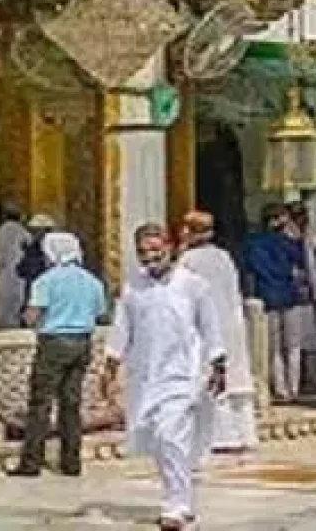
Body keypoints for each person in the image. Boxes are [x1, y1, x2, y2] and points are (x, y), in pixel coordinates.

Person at [104, 223, 227, 531]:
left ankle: (176, 505)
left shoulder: (192, 285)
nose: (150, 257)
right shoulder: (133, 287)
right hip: (145, 377)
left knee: (172, 436)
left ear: (170, 246)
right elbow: (122, 328)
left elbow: (210, 326)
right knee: (159, 440)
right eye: (143, 252)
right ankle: (180, 501)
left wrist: (218, 363)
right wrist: (110, 366)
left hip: (184, 374)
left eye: (155, 249)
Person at [9, 231, 108, 479]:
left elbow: (32, 315)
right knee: (71, 404)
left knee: (41, 403)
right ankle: (71, 462)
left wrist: (29, 318)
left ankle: (31, 462)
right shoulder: (92, 282)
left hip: (53, 343)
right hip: (82, 343)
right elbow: (99, 312)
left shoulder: (46, 281)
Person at [178, 209, 258, 452]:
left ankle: (221, 436)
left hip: (206, 327)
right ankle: (245, 433)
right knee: (235, 377)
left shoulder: (189, 261)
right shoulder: (224, 257)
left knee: (210, 378)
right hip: (231, 323)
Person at [243, 205, 307, 401]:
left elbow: (250, 268)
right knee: (293, 345)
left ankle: (281, 388)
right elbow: (300, 263)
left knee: (274, 348)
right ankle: (294, 387)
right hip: (289, 297)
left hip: (268, 297)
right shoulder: (288, 242)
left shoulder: (254, 243)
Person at [286, 203, 316, 391]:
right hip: (293, 297)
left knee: (310, 340)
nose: (302, 220)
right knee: (294, 341)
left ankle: (313, 377)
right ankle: (296, 381)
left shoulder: (310, 237)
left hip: (310, 295)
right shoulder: (286, 240)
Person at [0, 204, 29, 330]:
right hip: (21, 278)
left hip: (5, 277)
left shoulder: (0, 233)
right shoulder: (25, 233)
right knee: (18, 307)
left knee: (4, 311)